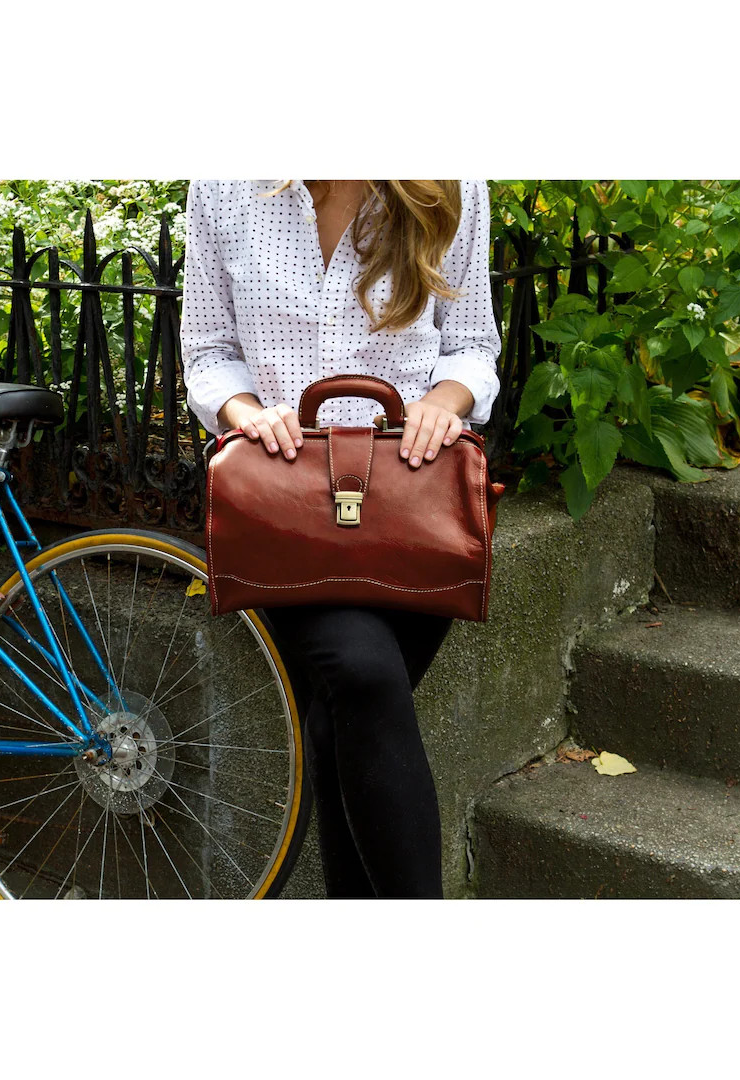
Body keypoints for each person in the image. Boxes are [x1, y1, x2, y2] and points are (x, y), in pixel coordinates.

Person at [181, 180, 501, 898]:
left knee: (340, 725)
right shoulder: (226, 184)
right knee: (360, 673)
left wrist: (439, 405)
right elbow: (207, 352)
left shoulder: (447, 180)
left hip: (412, 510)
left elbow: (474, 347)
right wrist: (246, 412)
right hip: (284, 507)